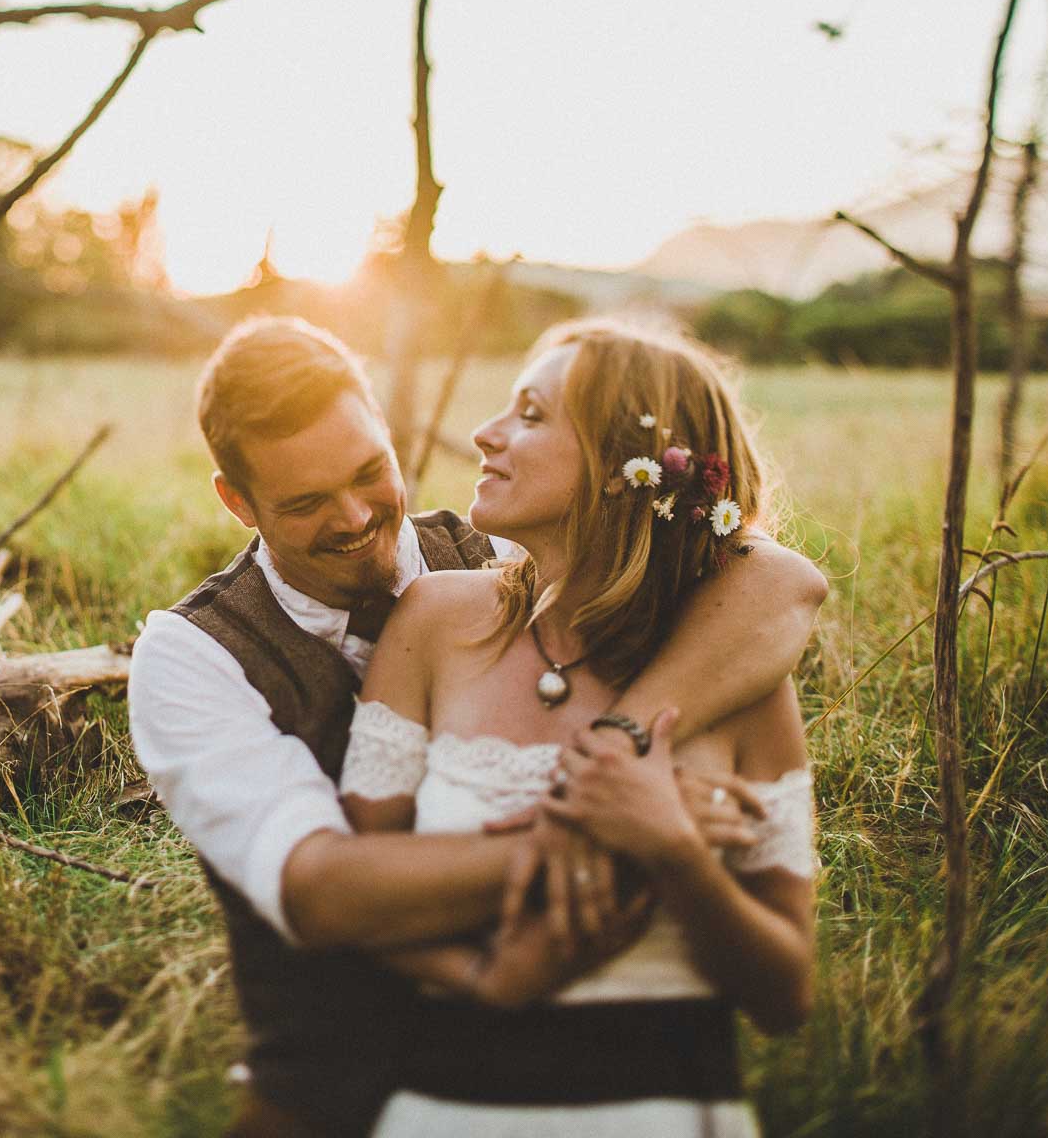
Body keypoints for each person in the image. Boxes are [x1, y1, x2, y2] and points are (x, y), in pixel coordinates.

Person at [126, 316, 827, 1138]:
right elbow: (321, 891)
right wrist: (603, 830)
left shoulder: (504, 551)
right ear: (236, 501)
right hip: (329, 1088)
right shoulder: (192, 655)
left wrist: (616, 745)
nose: (354, 518)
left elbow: (778, 581)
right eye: (308, 503)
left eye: (369, 473)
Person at [343, 318, 816, 1135]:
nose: (485, 434)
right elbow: (353, 898)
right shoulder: (436, 623)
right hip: (450, 1101)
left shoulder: (738, 675)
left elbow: (784, 996)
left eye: (530, 414)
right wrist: (489, 975)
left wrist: (672, 851)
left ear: (617, 471)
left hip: (667, 1105)